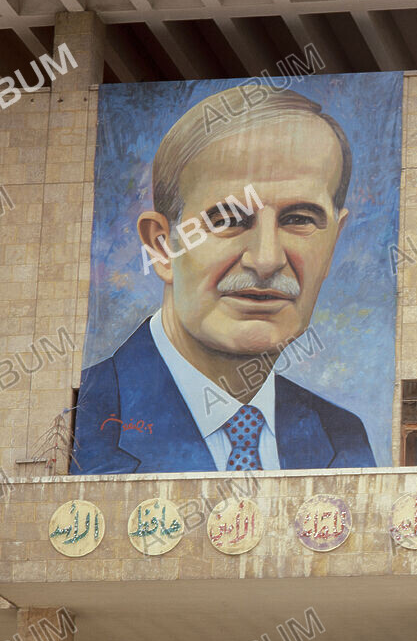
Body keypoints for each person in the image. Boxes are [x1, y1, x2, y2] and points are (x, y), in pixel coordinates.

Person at [72, 85, 375, 474]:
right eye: (229, 220)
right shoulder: (83, 425)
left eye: (298, 219)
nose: (266, 260)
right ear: (162, 247)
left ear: (333, 242)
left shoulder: (342, 437)